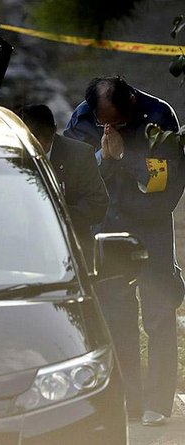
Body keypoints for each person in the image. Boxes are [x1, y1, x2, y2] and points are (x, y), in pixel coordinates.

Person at [64, 75, 185, 426]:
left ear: (131, 101)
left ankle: (158, 402)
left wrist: (123, 157)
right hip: (107, 230)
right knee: (117, 318)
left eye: (114, 121)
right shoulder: (84, 117)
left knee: (159, 315)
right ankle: (129, 400)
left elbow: (166, 180)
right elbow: (78, 173)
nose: (107, 127)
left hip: (151, 231)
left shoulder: (158, 115)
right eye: (103, 121)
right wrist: (106, 156)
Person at [18, 104, 108, 265]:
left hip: (72, 252)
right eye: (31, 144)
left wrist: (53, 214)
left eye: (44, 144)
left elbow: (97, 205)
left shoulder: (79, 155)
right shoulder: (7, 156)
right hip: (21, 249)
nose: (38, 150)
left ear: (54, 130)